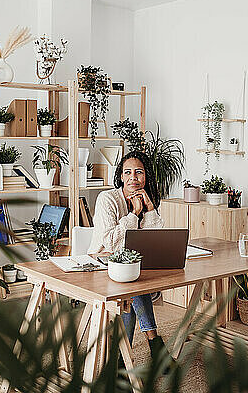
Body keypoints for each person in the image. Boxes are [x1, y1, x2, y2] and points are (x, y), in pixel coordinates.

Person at [88, 150, 170, 361]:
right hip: (100, 264)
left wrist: (150, 209)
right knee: (132, 284)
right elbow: (113, 243)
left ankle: (121, 360)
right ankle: (153, 344)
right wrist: (133, 214)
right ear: (121, 176)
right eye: (128, 172)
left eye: (139, 172)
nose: (133, 177)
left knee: (132, 280)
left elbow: (156, 242)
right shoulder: (107, 199)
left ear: (146, 176)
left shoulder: (146, 199)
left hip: (131, 267)